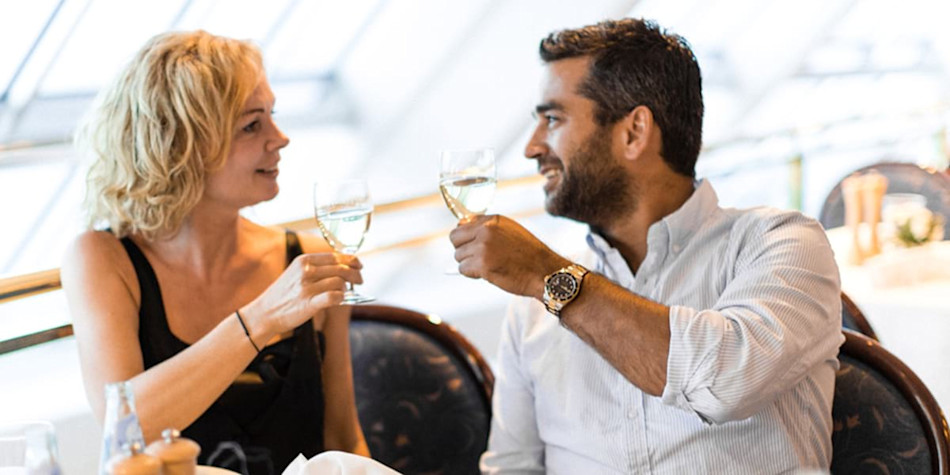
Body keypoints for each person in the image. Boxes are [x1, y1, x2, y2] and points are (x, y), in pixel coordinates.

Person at [449, 18, 843, 474]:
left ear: (634, 132)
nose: (533, 147)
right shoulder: (532, 305)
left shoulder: (781, 244)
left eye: (553, 119)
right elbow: (513, 467)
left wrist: (546, 276)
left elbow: (728, 383)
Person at [61, 30, 369, 473]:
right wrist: (262, 318)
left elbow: (343, 439)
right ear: (181, 145)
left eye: (273, 116)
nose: (280, 138)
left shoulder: (309, 259)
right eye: (252, 124)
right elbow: (124, 426)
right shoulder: (103, 259)